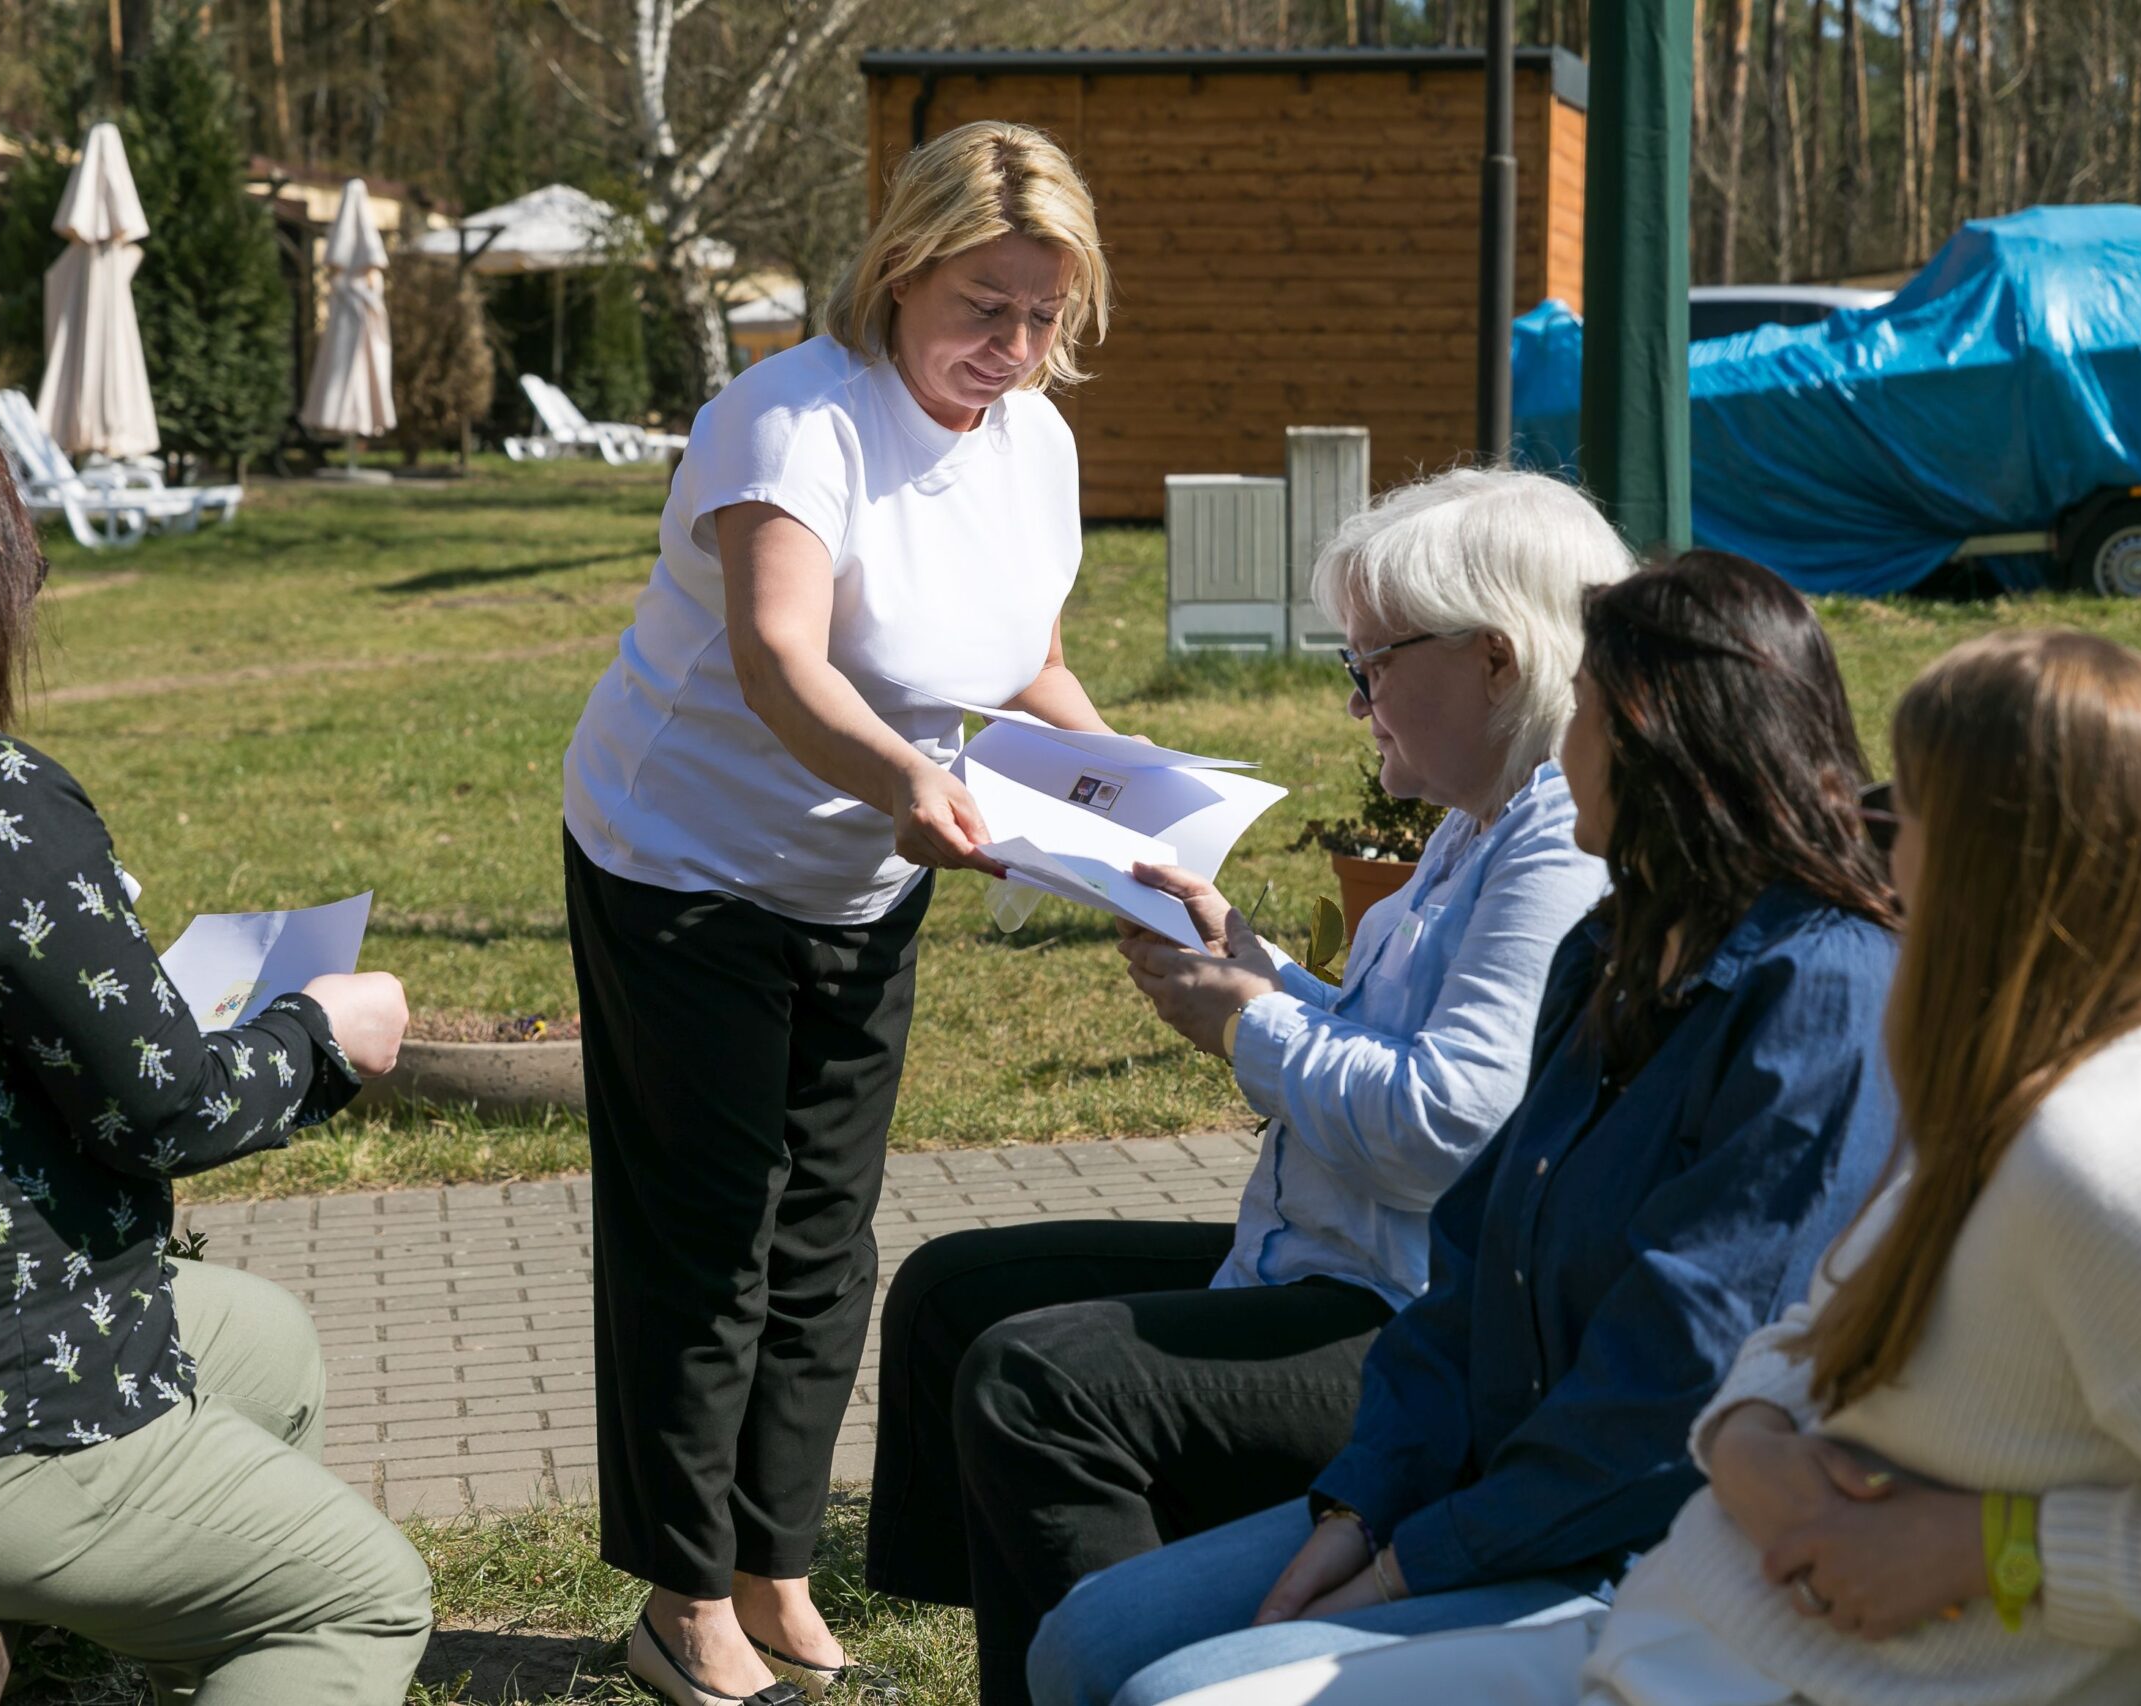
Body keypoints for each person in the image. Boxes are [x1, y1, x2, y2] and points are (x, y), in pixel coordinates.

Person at [1150, 629, 2141, 1706]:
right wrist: (1753, 1436)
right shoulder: (2021, 1064)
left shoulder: (2124, 1148)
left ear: (2005, 858)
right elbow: (1818, 1319)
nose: (1872, 851)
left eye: (1902, 813)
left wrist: (1996, 1547)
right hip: (1682, 1640)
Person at [1027, 551, 1906, 1706]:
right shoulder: (1613, 946)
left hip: (1654, 1544)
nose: (1559, 743)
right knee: (1085, 1640)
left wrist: (1412, 1563)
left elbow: (1682, 1380)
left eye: (1580, 711)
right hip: (1480, 1485)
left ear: (1659, 741)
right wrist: (1361, 1503)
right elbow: (1475, 1267)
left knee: (1176, 1690)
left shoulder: (1819, 988)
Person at [864, 468, 1629, 1703]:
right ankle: (1047, 1660)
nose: (1356, 699)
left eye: (1371, 663)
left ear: (1496, 657)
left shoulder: (1554, 844)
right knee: (956, 1295)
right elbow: (1392, 1047)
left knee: (1039, 1380)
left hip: (1417, 1322)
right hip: (1338, 1262)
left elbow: (1451, 1130)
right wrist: (1252, 962)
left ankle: (1147, 1668)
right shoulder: (1476, 824)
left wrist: (1249, 1024)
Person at [561, 120, 1120, 1706]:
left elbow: (1029, 660)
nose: (1013, 346)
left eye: (1044, 314)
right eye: (984, 306)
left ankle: (775, 1568)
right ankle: (681, 1601)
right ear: (899, 273)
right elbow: (778, 658)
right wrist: (909, 782)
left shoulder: (1033, 442)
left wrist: (1136, 800)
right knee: (709, 1241)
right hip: (679, 865)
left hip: (864, 875)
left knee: (824, 1235)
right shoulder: (791, 421)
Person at [0, 379, 431, 1700]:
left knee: (265, 1343)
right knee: (358, 1598)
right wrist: (320, 1036)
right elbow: (162, 1107)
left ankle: (148, 1645)